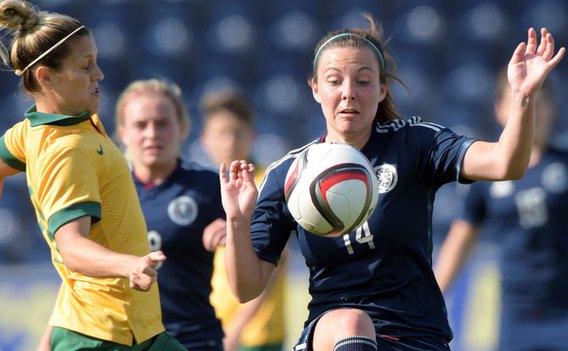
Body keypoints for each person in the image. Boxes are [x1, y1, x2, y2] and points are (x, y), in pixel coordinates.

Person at [217, 13, 564, 351]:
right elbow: (247, 288)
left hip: (417, 336)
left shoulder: (414, 143)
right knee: (351, 324)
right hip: (332, 333)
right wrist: (237, 219)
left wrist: (522, 96)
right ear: (315, 89)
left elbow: (506, 163)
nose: (349, 92)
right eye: (335, 80)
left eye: (363, 81)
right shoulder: (288, 175)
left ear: (382, 89)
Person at [0, 1, 186, 350]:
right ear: (46, 76)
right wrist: (129, 264)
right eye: (86, 66)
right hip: (105, 335)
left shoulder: (38, 129)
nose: (99, 74)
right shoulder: (66, 151)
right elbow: (71, 247)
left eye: (96, 62)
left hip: (133, 329)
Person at [434, 68, 568, 351]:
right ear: (499, 110)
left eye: (539, 102)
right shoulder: (486, 177)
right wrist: (429, 300)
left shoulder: (564, 165)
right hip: (515, 316)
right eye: (522, 101)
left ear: (553, 109)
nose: (533, 111)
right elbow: (460, 240)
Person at [114, 79, 227, 350]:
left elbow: (262, 255)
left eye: (162, 123)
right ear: (123, 132)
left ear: (182, 128)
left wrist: (236, 231)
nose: (152, 134)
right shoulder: (108, 192)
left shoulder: (209, 187)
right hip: (124, 340)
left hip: (192, 339)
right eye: (141, 125)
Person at [200, 91, 286, 351]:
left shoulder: (263, 185)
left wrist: (237, 328)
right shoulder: (206, 188)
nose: (229, 142)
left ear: (253, 136)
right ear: (204, 139)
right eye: (221, 133)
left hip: (255, 335)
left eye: (237, 132)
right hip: (217, 327)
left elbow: (277, 264)